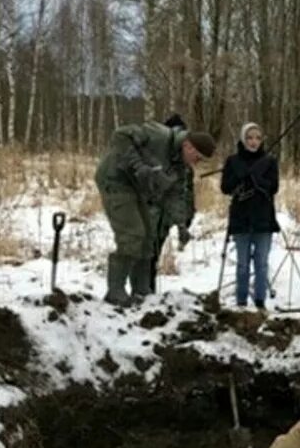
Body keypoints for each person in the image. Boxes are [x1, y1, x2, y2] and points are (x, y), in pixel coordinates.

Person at [94, 121, 216, 306]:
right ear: (188, 146)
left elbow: (176, 197)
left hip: (139, 189)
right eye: (197, 158)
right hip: (116, 179)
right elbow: (121, 135)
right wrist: (139, 166)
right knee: (133, 233)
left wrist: (181, 225)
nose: (196, 163)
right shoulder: (158, 135)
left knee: (149, 236)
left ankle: (141, 290)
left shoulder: (180, 167)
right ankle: (115, 291)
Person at [220, 123, 281, 309]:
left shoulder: (269, 161)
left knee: (262, 264)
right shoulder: (233, 161)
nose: (253, 142)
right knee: (242, 264)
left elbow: (273, 187)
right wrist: (240, 178)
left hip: (263, 220)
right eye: (249, 138)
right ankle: (241, 302)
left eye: (257, 138)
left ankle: (260, 301)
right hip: (241, 220)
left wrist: (256, 178)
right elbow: (225, 187)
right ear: (243, 139)